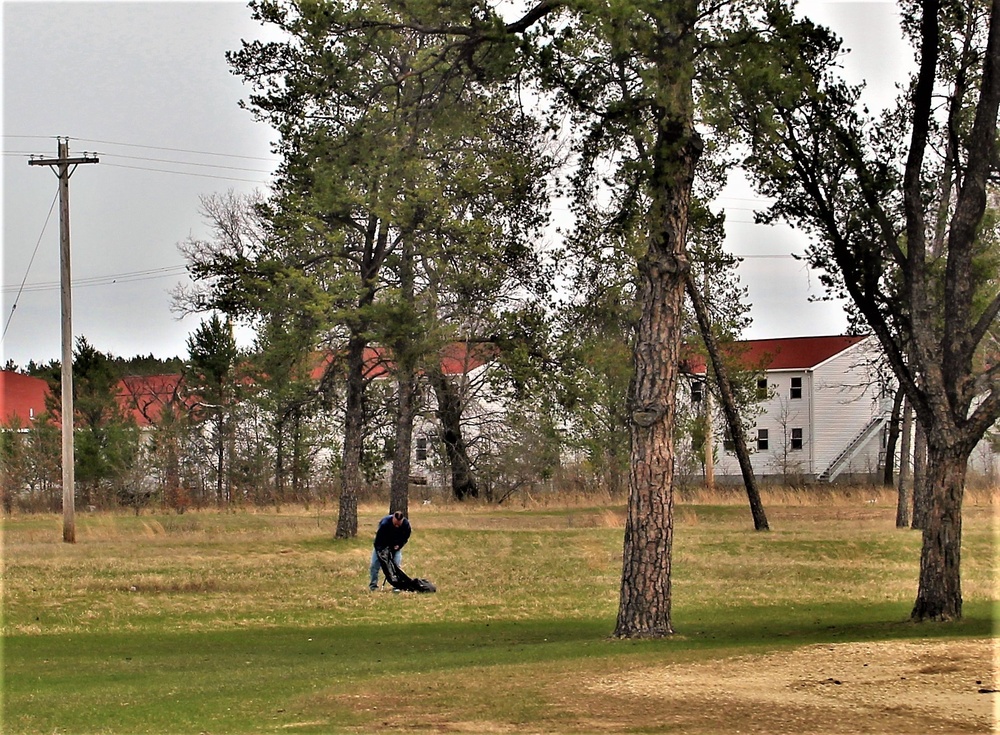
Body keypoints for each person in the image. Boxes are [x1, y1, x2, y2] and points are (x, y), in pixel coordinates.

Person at [369, 510, 411, 590]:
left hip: (396, 547)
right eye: (395, 524)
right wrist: (382, 552)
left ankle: (397, 586)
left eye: (399, 524)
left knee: (396, 566)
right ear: (393, 518)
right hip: (381, 546)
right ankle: (373, 585)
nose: (397, 526)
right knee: (374, 565)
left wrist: (399, 545)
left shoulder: (406, 525)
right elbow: (378, 540)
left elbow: (405, 537)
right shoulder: (385, 524)